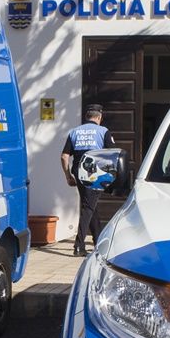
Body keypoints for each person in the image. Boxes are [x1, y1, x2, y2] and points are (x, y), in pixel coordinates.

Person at [61, 104, 116, 256]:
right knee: (88, 207)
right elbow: (112, 153)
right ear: (99, 117)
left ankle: (98, 240)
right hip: (94, 173)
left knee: (90, 205)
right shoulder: (103, 131)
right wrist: (112, 175)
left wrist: (68, 176)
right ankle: (79, 246)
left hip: (79, 174)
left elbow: (64, 156)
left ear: (86, 117)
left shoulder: (74, 132)